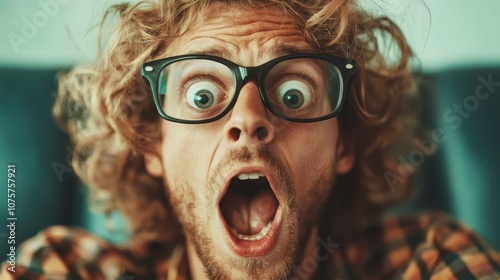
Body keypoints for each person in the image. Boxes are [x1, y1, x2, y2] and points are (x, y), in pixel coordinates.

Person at [2, 0, 500, 279]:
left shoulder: (431, 257)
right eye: (201, 95)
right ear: (152, 144)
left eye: (293, 93)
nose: (248, 119)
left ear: (343, 142)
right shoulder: (65, 269)